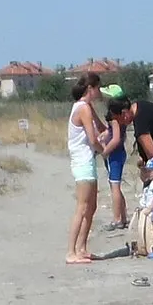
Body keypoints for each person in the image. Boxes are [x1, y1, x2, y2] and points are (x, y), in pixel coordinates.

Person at [63, 71, 106, 265]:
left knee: (92, 207)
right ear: (90, 88)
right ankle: (71, 251)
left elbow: (101, 127)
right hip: (82, 161)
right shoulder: (82, 108)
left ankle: (82, 248)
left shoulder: (87, 107)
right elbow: (92, 138)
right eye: (97, 88)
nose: (99, 92)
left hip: (87, 160)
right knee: (82, 207)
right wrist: (104, 150)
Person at [100, 84, 130, 231]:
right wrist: (104, 135)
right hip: (119, 153)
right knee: (116, 186)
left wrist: (105, 151)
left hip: (115, 154)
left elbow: (116, 138)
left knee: (115, 187)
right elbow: (113, 133)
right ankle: (123, 217)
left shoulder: (114, 116)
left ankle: (117, 218)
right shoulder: (119, 116)